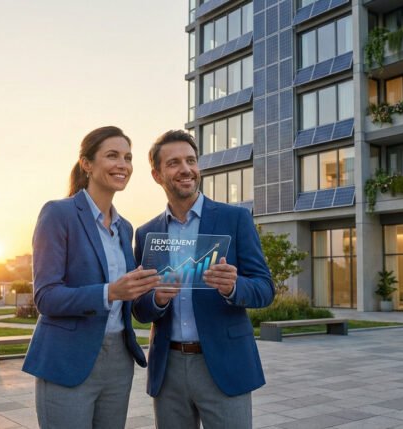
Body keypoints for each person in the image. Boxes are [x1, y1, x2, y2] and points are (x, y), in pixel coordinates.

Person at [132, 130, 274, 429]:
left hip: (224, 365)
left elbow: (264, 288)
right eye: (173, 163)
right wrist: (156, 299)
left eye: (191, 160)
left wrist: (234, 287)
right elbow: (139, 309)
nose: (185, 169)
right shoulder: (147, 233)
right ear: (157, 175)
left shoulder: (235, 219)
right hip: (168, 368)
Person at [22, 126, 160, 429]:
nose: (122, 165)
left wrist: (155, 293)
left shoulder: (125, 228)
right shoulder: (59, 214)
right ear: (87, 163)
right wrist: (109, 292)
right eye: (112, 156)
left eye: (127, 157)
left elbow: (130, 297)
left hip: (118, 361)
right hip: (68, 359)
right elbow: (46, 297)